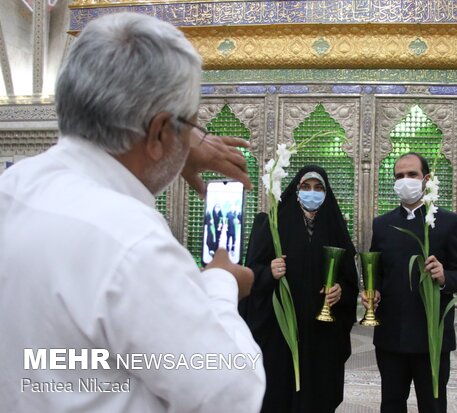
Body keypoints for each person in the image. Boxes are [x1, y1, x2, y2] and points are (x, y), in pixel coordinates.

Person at [0, 12, 265, 413]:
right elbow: (231, 395)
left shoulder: (14, 190)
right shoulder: (131, 241)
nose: (194, 139)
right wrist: (220, 284)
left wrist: (174, 144)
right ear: (159, 132)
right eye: (191, 125)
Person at [240, 165, 359, 413]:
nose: (312, 193)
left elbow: (350, 280)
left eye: (318, 188)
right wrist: (268, 272)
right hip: (279, 334)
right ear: (296, 190)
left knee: (318, 395)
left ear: (326, 193)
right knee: (278, 395)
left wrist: (341, 291)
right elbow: (251, 273)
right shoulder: (273, 223)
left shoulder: (335, 228)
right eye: (306, 187)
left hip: (322, 335)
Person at [364, 152, 457, 413]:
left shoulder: (449, 223)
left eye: (411, 175)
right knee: (391, 403)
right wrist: (372, 290)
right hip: (391, 334)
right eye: (399, 176)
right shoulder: (382, 224)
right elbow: (376, 271)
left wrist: (445, 275)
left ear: (426, 179)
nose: (405, 180)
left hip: (431, 336)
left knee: (433, 404)